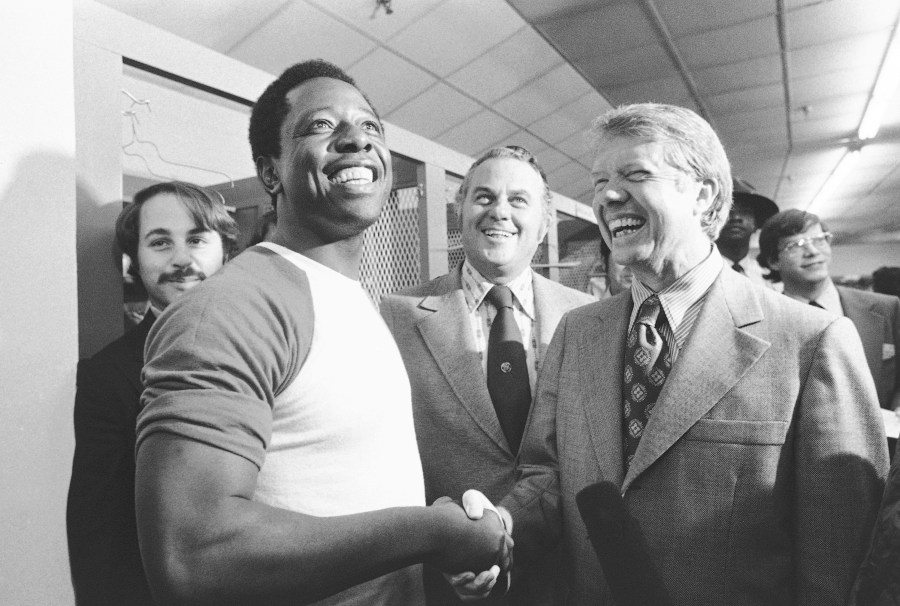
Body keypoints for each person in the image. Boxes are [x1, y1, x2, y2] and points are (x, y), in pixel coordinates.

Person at [133, 59, 510, 605]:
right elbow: (193, 556)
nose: (357, 138)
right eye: (321, 125)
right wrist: (431, 532)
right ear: (271, 173)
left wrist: (442, 554)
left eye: (370, 126)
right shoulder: (231, 308)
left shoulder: (357, 301)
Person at [480, 103, 888, 605]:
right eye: (600, 181)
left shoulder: (811, 342)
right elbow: (547, 477)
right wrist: (496, 532)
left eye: (635, 174)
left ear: (704, 194)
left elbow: (840, 553)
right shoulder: (577, 332)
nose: (608, 196)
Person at [380, 145, 593, 605]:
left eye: (518, 200)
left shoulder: (590, 318)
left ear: (544, 224)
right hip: (451, 576)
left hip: (569, 575)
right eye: (484, 197)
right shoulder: (397, 316)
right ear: (460, 212)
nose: (499, 211)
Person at [66, 180, 239, 605]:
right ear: (133, 261)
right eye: (160, 242)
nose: (181, 259)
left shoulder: (269, 345)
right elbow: (99, 538)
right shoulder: (106, 376)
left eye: (196, 239)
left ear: (225, 251)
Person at [758, 209, 900, 414]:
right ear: (773, 261)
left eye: (819, 240)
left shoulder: (885, 308)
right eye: (796, 245)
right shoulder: (764, 322)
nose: (812, 251)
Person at [715, 177, 779, 287]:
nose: (736, 217)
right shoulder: (698, 276)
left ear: (756, 224)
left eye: (745, 212)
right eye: (727, 211)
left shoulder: (768, 278)